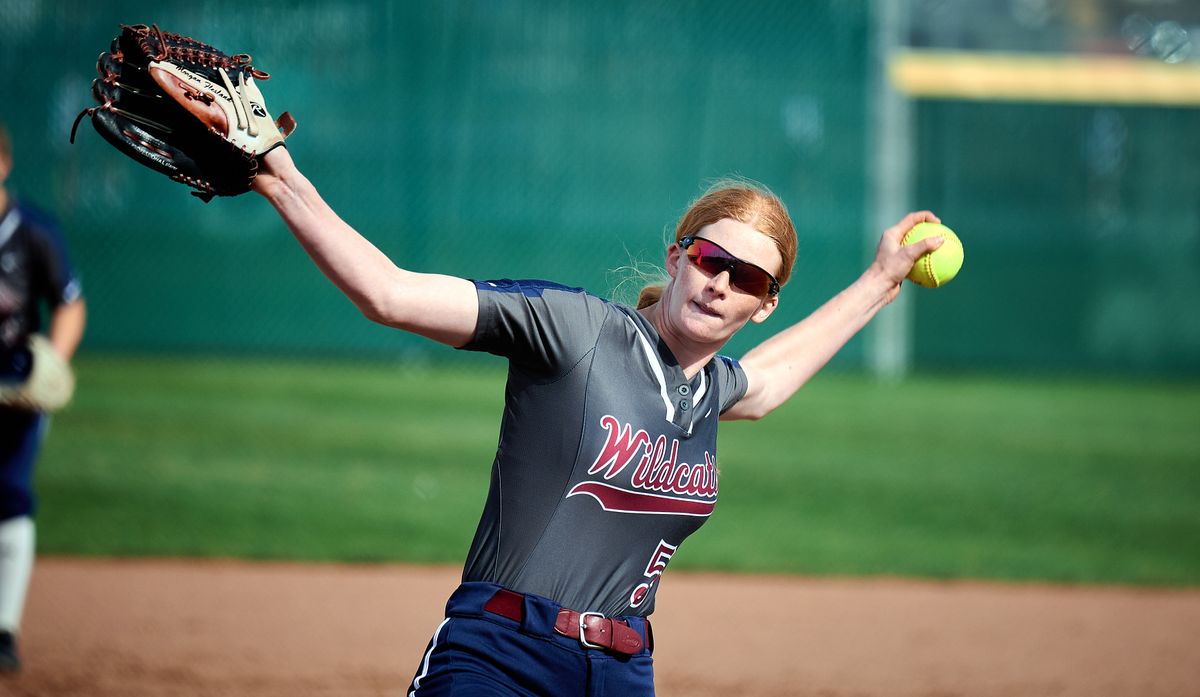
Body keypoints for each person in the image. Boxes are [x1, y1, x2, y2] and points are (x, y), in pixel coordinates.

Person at [251, 145, 943, 696]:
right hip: (500, 656)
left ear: (764, 305)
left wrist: (881, 280)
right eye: (709, 258)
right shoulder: (574, 329)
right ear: (677, 259)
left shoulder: (708, 391)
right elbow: (389, 294)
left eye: (748, 279)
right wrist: (278, 174)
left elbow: (770, 382)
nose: (721, 283)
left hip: (621, 674)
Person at [0, 121, 87, 673]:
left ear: (4, 164)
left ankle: (3, 629)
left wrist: (52, 361)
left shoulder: (31, 230)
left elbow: (70, 303)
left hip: (13, 387)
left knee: (8, 493)